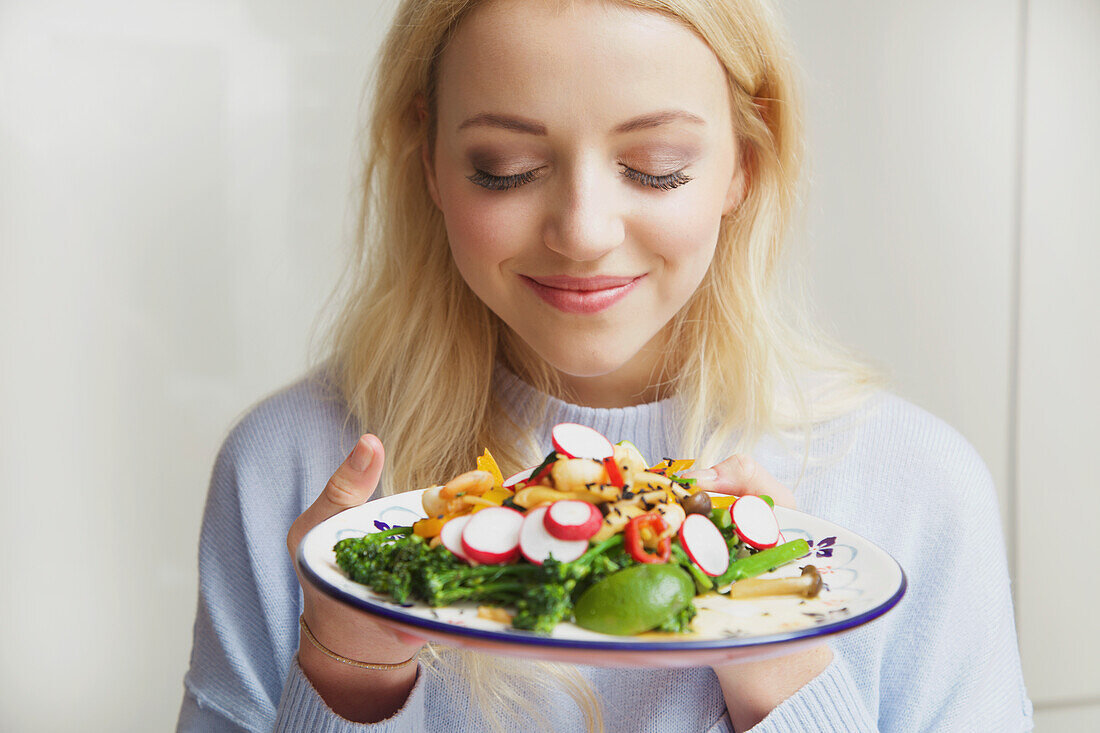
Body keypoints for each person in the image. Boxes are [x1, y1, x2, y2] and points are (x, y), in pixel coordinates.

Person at [178, 0, 1033, 730]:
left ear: (747, 161)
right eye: (504, 170)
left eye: (654, 170)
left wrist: (788, 683)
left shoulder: (923, 487)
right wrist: (345, 679)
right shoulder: (288, 471)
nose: (583, 232)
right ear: (430, 161)